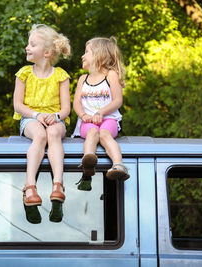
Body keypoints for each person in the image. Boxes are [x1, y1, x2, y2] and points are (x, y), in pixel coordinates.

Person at [13, 24, 71, 223]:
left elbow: (66, 110)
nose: (27, 48)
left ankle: (57, 185)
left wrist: (55, 117)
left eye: (32, 45)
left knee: (54, 134)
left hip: (55, 119)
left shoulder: (61, 76)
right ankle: (30, 186)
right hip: (30, 118)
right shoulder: (24, 74)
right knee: (40, 135)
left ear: (46, 52)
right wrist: (37, 115)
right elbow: (18, 105)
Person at [72, 37, 129, 186]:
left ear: (99, 55)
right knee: (92, 133)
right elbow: (76, 102)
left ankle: (118, 165)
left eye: (86, 52)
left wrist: (101, 113)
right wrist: (84, 115)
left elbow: (117, 100)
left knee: (104, 134)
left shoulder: (111, 75)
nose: (82, 56)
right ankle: (89, 161)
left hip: (108, 119)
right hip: (87, 121)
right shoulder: (82, 79)